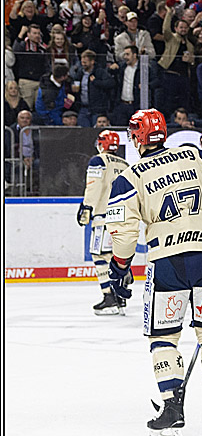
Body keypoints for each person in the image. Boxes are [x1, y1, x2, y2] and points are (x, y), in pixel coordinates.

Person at [104, 108, 202, 436]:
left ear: (137, 137)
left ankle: (172, 409)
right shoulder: (196, 156)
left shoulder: (130, 176)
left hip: (168, 260)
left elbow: (123, 235)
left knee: (163, 337)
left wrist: (119, 268)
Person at [77, 129, 130, 315]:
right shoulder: (125, 164)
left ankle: (110, 296)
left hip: (104, 216)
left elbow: (94, 186)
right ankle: (121, 293)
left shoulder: (98, 161)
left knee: (101, 255)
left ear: (101, 144)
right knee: (116, 255)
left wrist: (86, 207)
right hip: (123, 217)